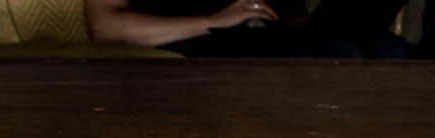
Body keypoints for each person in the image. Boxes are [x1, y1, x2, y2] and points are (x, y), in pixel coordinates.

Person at [84, 0, 409, 56]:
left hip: (277, 37)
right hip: (198, 39)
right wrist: (212, 22)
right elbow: (105, 26)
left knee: (391, 52)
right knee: (345, 55)